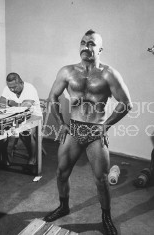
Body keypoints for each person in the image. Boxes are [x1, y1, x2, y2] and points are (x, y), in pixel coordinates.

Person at [43, 29, 132, 235]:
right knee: (61, 173)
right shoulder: (67, 71)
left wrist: (105, 125)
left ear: (100, 49)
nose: (86, 46)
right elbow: (52, 98)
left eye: (91, 43)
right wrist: (61, 123)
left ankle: (106, 217)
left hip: (95, 132)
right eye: (83, 42)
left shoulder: (109, 74)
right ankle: (63, 206)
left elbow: (126, 104)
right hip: (73, 128)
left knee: (101, 179)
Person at [0, 72, 42, 173]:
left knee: (26, 132)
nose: (12, 90)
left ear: (21, 83)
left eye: (14, 87)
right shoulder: (8, 88)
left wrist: (10, 103)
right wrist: (13, 104)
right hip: (14, 116)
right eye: (10, 88)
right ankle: (3, 161)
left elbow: (24, 106)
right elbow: (1, 102)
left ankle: (32, 159)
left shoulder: (29, 88)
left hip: (33, 116)